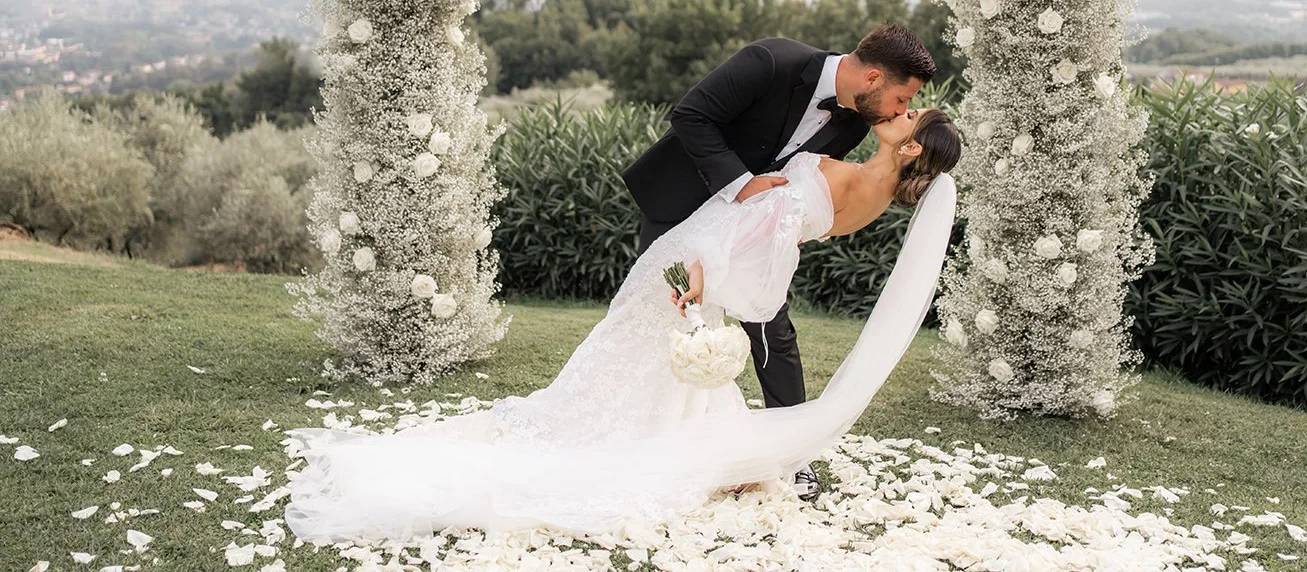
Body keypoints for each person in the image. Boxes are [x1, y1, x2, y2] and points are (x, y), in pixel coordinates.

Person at [283, 108, 962, 545]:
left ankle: (591, 433)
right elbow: (771, 243)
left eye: (911, 118)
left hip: (692, 261)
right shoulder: (868, 194)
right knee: (640, 367)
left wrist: (699, 276)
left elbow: (761, 237)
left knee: (630, 355)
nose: (899, 113)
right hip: (708, 269)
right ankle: (618, 428)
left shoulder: (846, 179)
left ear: (909, 152)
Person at [622, 25, 937, 500]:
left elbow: (808, 189)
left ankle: (794, 457)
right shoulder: (771, 60)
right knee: (661, 317)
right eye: (901, 98)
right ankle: (640, 432)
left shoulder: (854, 123)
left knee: (771, 327)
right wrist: (740, 183)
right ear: (873, 76)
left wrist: (790, 231)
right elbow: (690, 115)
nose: (899, 111)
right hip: (681, 206)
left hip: (756, 235)